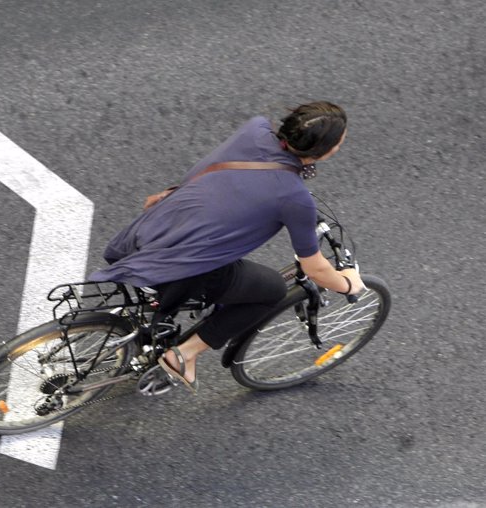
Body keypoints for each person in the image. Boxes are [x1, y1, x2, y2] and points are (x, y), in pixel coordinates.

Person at [88, 101, 364, 393]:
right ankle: (183, 356)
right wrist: (347, 284)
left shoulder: (255, 128)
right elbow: (315, 269)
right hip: (183, 266)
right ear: (325, 151)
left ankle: (150, 327)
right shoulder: (295, 199)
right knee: (271, 291)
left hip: (153, 229)